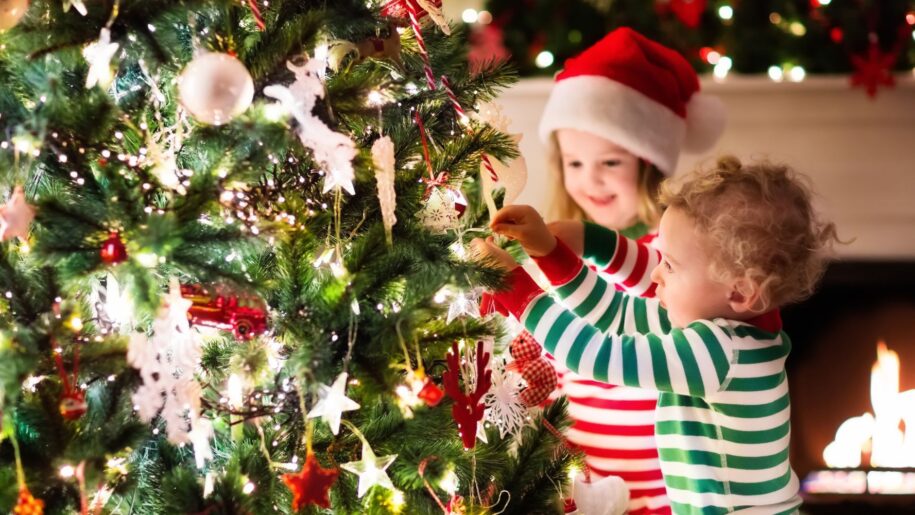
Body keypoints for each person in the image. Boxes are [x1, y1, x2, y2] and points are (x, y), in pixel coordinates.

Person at [476, 156, 839, 514]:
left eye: (670, 264)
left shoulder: (717, 354)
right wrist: (551, 254)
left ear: (741, 292)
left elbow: (596, 354)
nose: (655, 275)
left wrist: (517, 289)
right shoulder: (733, 328)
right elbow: (617, 316)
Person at [522, 26, 726, 514]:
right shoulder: (554, 254)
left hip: (662, 483)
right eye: (574, 162)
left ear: (649, 163)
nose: (589, 179)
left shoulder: (671, 256)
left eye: (610, 162)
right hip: (582, 478)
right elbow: (547, 349)